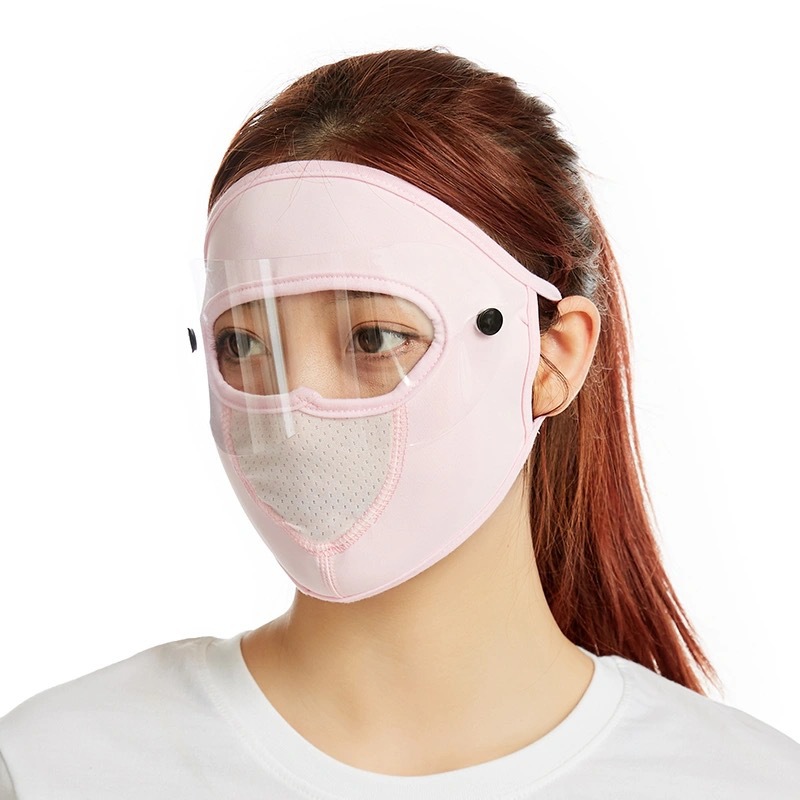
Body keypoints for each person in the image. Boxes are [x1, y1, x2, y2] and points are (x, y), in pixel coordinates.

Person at [1, 48, 797, 799]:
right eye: (243, 345)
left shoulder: (743, 783)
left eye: (376, 338)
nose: (297, 409)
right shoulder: (56, 768)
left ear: (552, 356)